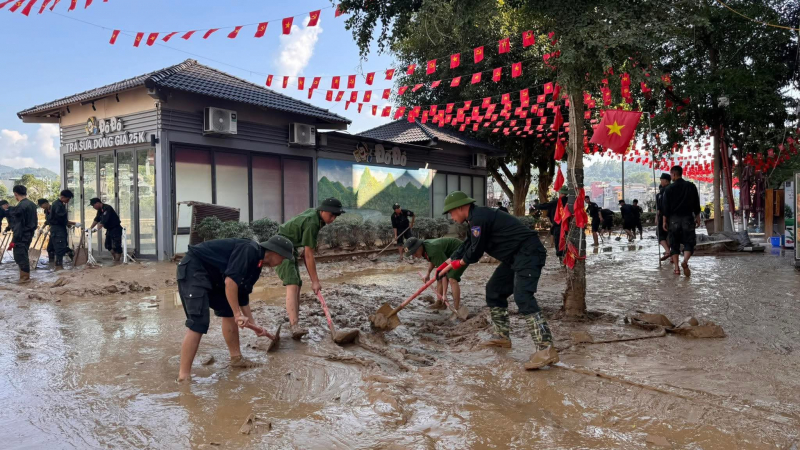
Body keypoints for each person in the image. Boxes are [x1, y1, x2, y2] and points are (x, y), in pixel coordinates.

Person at [438, 191, 558, 370]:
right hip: (514, 257)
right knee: (494, 290)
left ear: (461, 208)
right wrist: (445, 263)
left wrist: (458, 263)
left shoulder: (479, 218)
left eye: (451, 213)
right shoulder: (475, 219)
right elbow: (467, 245)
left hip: (528, 253)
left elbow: (475, 252)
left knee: (523, 297)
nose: (452, 217)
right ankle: (502, 336)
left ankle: (545, 348)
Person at [177, 235, 295, 381]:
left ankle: (236, 359)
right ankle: (184, 377)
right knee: (199, 322)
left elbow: (242, 295)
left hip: (213, 276)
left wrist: (254, 325)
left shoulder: (257, 265)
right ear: (276, 252)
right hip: (194, 269)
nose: (282, 262)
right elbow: (230, 282)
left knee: (228, 311)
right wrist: (238, 314)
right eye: (283, 258)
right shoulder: (250, 250)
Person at [277, 198, 344, 339]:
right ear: (323, 210)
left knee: (297, 285)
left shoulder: (317, 217)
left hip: (290, 247)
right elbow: (309, 255)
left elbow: (302, 237)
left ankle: (294, 322)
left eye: (335, 216)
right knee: (292, 283)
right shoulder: (313, 222)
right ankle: (294, 326)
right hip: (281, 248)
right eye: (331, 215)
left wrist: (301, 248)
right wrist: (315, 281)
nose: (332, 219)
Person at [404, 236, 467, 312]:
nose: (414, 255)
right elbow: (432, 260)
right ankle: (440, 303)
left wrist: (444, 294)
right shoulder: (425, 248)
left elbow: (444, 272)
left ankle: (457, 309)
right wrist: (428, 274)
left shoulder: (432, 250)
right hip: (451, 255)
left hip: (462, 251)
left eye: (414, 252)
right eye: (412, 254)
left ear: (419, 246)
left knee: (452, 278)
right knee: (438, 276)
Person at [662, 165, 701, 276]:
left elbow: (666, 207)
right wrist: (697, 217)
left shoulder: (668, 189)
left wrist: (664, 221)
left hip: (674, 220)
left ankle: (676, 268)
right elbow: (696, 203)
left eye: (671, 175)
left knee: (674, 244)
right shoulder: (691, 186)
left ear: (674, 174)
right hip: (688, 219)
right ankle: (685, 261)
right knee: (689, 243)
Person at [40, 193, 78, 270]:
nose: (68, 201)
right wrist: (74, 223)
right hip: (58, 230)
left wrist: (68, 224)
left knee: (60, 247)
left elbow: (58, 219)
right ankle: (58, 267)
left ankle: (60, 265)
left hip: (56, 229)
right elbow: (60, 219)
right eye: (68, 199)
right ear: (63, 197)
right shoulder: (58, 205)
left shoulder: (55, 205)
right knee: (58, 248)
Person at [9, 185, 38, 282]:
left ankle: (24, 279)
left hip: (21, 236)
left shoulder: (21, 206)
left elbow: (18, 225)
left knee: (20, 256)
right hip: (29, 235)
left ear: (15, 194)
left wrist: (14, 240)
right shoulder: (32, 205)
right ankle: (25, 278)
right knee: (24, 254)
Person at [536, 187, 569, 260]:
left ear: (561, 193)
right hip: (568, 227)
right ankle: (568, 259)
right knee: (568, 243)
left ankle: (562, 261)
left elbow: (545, 206)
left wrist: (536, 206)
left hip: (558, 226)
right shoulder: (570, 202)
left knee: (559, 243)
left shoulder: (556, 202)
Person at [88, 198, 123, 263]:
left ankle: (117, 261)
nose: (93, 207)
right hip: (109, 229)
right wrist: (90, 228)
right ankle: (115, 258)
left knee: (116, 245)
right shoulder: (100, 210)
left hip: (115, 228)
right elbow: (96, 219)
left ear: (98, 203)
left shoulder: (107, 208)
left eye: (93, 205)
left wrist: (95, 229)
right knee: (108, 245)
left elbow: (103, 222)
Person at [655, 173, 672, 261]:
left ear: (666, 180)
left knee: (660, 234)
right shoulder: (674, 190)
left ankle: (668, 251)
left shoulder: (661, 194)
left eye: (661, 180)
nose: (661, 182)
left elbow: (659, 209)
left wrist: (657, 218)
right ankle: (672, 256)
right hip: (674, 217)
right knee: (671, 235)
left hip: (664, 217)